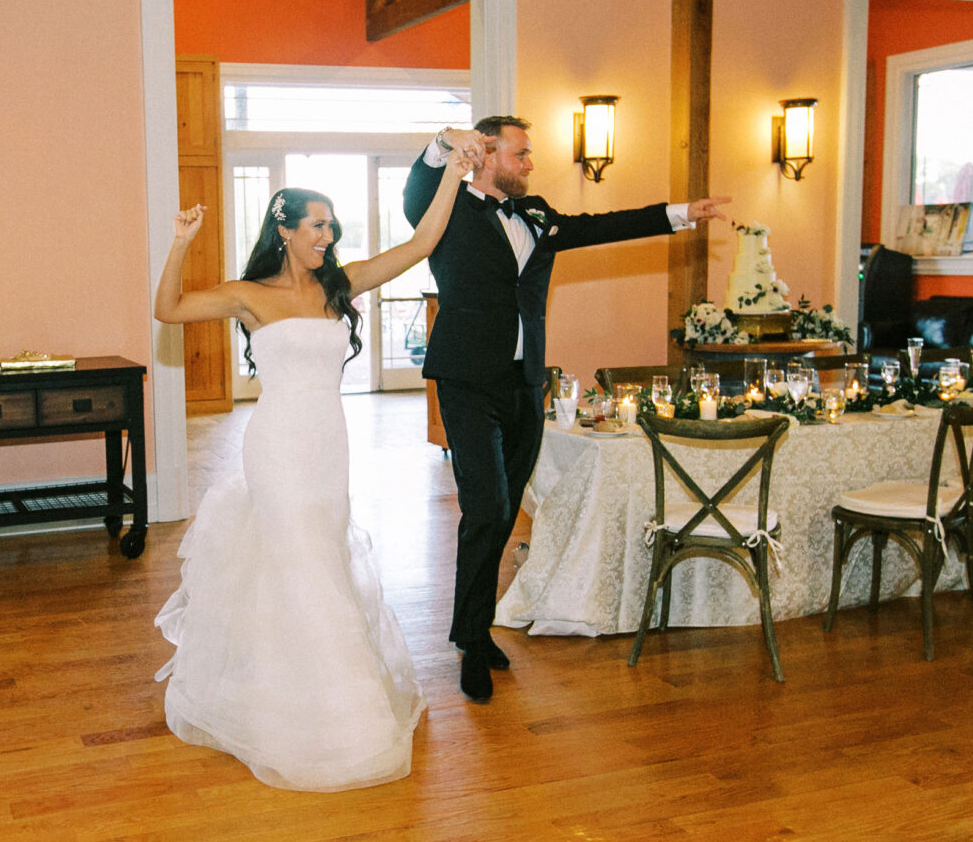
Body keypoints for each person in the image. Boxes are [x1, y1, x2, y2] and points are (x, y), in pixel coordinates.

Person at [151, 149, 472, 791]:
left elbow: (423, 241)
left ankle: (306, 681)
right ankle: (329, 716)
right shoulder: (248, 296)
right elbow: (169, 310)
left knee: (320, 558)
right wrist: (181, 242)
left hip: (329, 445)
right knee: (299, 559)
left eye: (331, 227)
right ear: (286, 231)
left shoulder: (338, 287)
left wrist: (455, 173)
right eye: (317, 226)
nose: (328, 237)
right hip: (277, 447)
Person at [405, 117, 729, 703]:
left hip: (526, 386)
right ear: (487, 153)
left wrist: (680, 213)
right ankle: (473, 645)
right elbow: (418, 186)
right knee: (487, 508)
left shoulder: (535, 214)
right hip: (467, 382)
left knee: (503, 516)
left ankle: (468, 625)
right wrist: (444, 145)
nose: (531, 164)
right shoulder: (446, 206)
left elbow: (602, 227)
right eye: (522, 154)